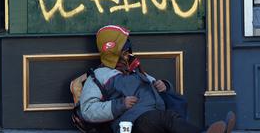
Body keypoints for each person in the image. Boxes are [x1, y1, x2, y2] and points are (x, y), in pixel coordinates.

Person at [79, 25, 236, 133]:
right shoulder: (98, 76)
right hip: (132, 122)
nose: (128, 51)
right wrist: (120, 104)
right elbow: (87, 111)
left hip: (153, 112)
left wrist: (164, 86)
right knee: (167, 119)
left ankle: (208, 130)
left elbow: (154, 84)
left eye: (128, 48)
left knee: (172, 116)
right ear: (113, 50)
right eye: (124, 49)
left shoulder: (133, 68)